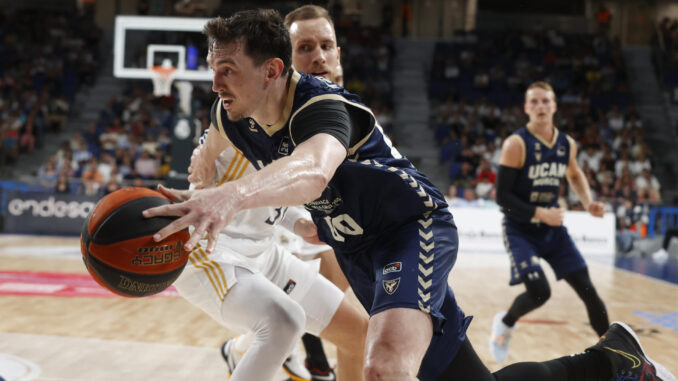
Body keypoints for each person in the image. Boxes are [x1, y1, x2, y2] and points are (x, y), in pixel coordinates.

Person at [144, 10, 676, 381]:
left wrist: (226, 197)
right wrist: (203, 167)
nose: (214, 84)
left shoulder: (323, 107)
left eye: (226, 72)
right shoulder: (228, 114)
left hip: (412, 231)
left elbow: (311, 172)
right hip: (359, 251)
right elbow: (216, 142)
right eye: (213, 71)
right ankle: (611, 361)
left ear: (272, 70)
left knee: (384, 367)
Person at [174, 139, 366, 381]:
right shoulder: (235, 115)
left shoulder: (302, 124)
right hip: (214, 249)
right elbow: (220, 119)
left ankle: (240, 350)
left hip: (266, 253)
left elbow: (273, 196)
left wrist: (300, 224)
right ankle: (249, 350)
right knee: (285, 323)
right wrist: (208, 150)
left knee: (357, 334)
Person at [490, 81, 609, 363]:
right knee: (540, 292)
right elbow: (502, 196)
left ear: (555, 106)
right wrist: (539, 213)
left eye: (546, 101)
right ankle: (505, 323)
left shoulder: (567, 144)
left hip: (553, 231)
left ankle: (611, 351)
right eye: (535, 102)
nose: (541, 106)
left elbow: (575, 174)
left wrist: (587, 202)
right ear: (526, 108)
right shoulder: (515, 144)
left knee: (589, 290)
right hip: (520, 229)